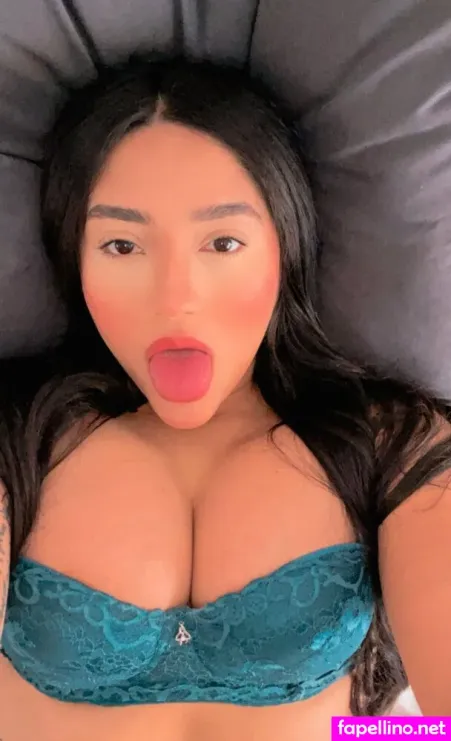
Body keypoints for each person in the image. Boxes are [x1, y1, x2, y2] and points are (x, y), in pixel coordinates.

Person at [0, 56, 449, 741]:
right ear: (74, 257)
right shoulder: (15, 434)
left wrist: (384, 734)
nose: (175, 298)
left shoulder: (392, 446)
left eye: (223, 241)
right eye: (121, 245)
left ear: (284, 248)